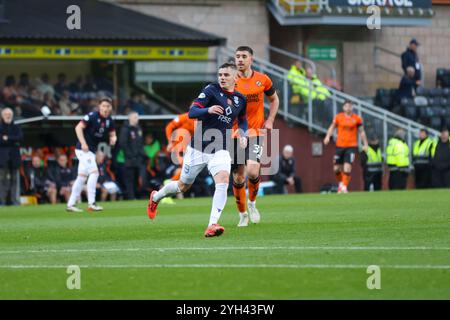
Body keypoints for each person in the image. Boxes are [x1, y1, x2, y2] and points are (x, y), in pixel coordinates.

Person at [147, 62, 248, 238]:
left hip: (221, 147)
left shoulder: (241, 99)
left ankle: (212, 224)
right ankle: (156, 197)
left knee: (223, 180)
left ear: (235, 77)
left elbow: (243, 119)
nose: (222, 78)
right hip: (199, 148)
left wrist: (243, 133)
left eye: (226, 75)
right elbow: (192, 112)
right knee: (182, 186)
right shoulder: (210, 90)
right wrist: (208, 110)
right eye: (220, 75)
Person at [232, 46, 279, 227]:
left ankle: (252, 203)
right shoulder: (230, 81)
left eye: (244, 56)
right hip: (235, 134)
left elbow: (274, 99)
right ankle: (242, 213)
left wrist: (270, 120)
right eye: (237, 57)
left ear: (251, 59)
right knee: (238, 177)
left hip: (255, 131)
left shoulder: (262, 80)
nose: (240, 60)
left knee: (252, 170)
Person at [66, 97, 117, 212]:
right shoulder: (92, 116)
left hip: (91, 151)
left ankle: (71, 204)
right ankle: (91, 203)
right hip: (83, 150)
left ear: (111, 108)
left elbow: (113, 134)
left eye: (108, 106)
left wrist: (113, 139)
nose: (106, 108)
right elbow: (78, 127)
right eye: (103, 106)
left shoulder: (109, 120)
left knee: (81, 177)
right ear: (99, 107)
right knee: (94, 173)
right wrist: (83, 143)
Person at [323, 101, 368, 193]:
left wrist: (365, 144)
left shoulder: (357, 119)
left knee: (347, 168)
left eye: (350, 106)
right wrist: (327, 136)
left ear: (352, 108)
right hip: (339, 146)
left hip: (351, 146)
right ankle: (341, 183)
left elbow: (362, 132)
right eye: (346, 106)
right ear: (343, 108)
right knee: (336, 169)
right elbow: (332, 127)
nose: (348, 108)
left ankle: (344, 187)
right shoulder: (339, 117)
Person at [119, 111, 145, 200]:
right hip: (129, 160)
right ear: (130, 118)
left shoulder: (138, 128)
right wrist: (130, 155)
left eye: (137, 117)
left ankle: (137, 195)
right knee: (129, 178)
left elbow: (140, 143)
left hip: (138, 159)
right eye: (135, 117)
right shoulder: (125, 129)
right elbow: (123, 143)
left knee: (137, 178)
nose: (137, 119)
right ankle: (131, 196)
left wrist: (141, 154)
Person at [0, 108, 23, 206]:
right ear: (2, 115)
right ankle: (2, 202)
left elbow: (20, 137)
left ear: (12, 115)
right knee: (2, 180)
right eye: (6, 114)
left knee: (15, 180)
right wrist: (13, 140)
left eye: (9, 114)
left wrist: (7, 138)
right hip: (2, 158)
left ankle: (15, 201)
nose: (8, 115)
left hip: (14, 158)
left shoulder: (16, 127)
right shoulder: (0, 127)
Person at [165, 112, 195, 180]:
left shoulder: (201, 121)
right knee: (182, 170)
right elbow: (169, 127)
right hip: (177, 150)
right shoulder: (185, 117)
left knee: (187, 171)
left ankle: (170, 183)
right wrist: (170, 142)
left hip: (186, 150)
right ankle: (169, 184)